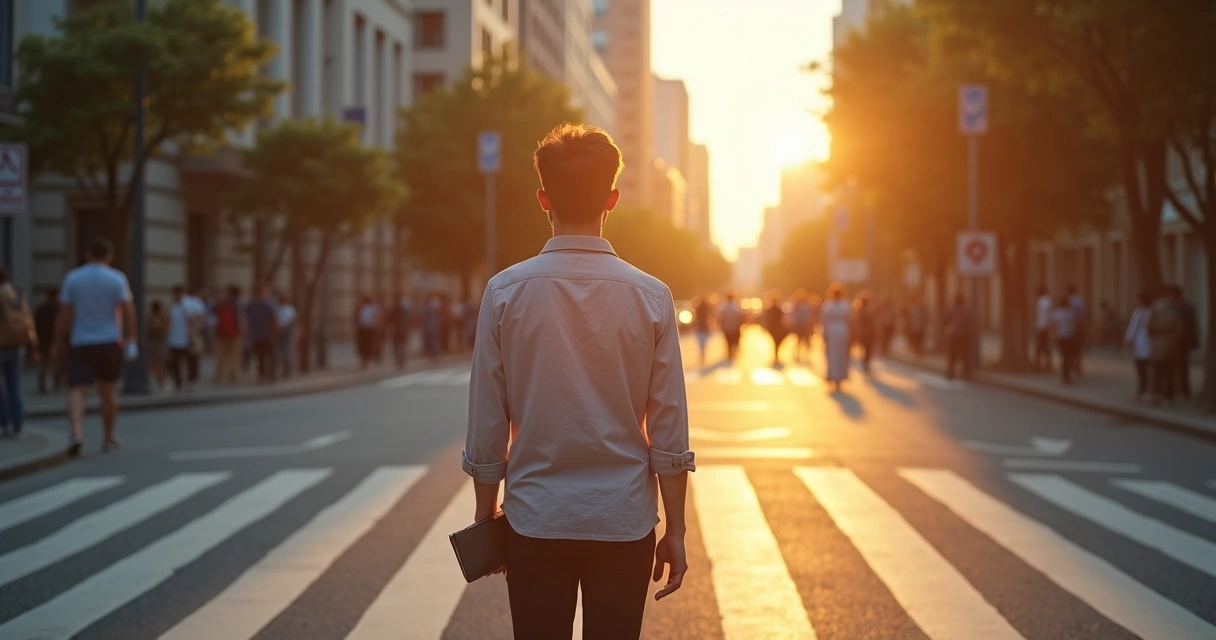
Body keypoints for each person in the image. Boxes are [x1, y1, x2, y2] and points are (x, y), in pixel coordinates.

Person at [464, 124, 691, 639]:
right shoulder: (652, 296)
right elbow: (669, 429)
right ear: (612, 197)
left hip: (534, 519)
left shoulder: (504, 293)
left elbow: (487, 421)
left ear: (543, 197)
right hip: (624, 519)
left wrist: (486, 516)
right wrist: (674, 528)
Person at [52, 237, 135, 456]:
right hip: (109, 341)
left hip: (81, 341)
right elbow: (128, 310)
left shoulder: (73, 277)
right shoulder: (116, 278)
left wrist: (57, 341)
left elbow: (64, 313)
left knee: (77, 389)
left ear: (87, 254)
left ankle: (76, 433)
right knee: (108, 391)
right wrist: (131, 338)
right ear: (109, 256)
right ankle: (108, 437)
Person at [0, 267, 36, 438]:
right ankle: (18, 425)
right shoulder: (16, 293)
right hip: (16, 346)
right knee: (15, 387)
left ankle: (2, 423)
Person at [1148, 288, 1182, 406]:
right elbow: (1179, 328)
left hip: (1158, 345)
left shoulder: (1156, 307)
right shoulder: (1175, 308)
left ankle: (1157, 397)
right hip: (1170, 346)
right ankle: (1169, 397)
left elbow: (1149, 326)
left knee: (1158, 372)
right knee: (1170, 373)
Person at [166, 285, 202, 392]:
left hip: (187, 339)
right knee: (175, 362)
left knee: (191, 360)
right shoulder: (172, 305)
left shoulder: (190, 303)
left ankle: (193, 380)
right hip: (174, 338)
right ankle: (178, 382)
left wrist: (194, 329)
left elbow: (200, 316)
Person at [245, 282, 278, 383]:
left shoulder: (251, 304)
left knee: (260, 356)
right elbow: (274, 319)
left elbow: (246, 318)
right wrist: (275, 332)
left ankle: (262, 375)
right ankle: (271, 375)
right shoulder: (268, 303)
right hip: (267, 334)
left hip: (255, 334)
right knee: (270, 355)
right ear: (264, 291)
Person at [1169, 285, 1198, 401]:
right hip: (1184, 341)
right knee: (1183, 367)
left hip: (1179, 341)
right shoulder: (1188, 306)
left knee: (1180, 366)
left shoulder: (1177, 307)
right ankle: (1184, 390)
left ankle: (1183, 390)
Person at [821, 283, 851, 390]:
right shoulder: (840, 305)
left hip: (838, 331)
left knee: (839, 355)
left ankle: (838, 377)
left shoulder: (833, 305)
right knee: (833, 355)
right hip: (839, 331)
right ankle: (833, 376)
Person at [1124, 292, 1152, 402]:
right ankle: (1142, 389)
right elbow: (1132, 327)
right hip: (1138, 344)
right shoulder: (1137, 312)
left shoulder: (1149, 312)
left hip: (1146, 343)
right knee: (1140, 368)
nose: (1135, 302)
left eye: (1138, 300)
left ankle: (1144, 390)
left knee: (1145, 368)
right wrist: (1128, 339)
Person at [34, 287, 62, 394]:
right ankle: (57, 383)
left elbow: (35, 324)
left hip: (42, 339)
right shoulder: (58, 308)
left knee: (43, 364)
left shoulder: (41, 308)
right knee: (57, 363)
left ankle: (42, 385)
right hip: (55, 338)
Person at [213, 285, 244, 384]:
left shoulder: (222, 303)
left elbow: (215, 316)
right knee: (235, 356)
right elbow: (240, 319)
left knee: (221, 356)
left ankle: (219, 375)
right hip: (234, 333)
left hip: (221, 334)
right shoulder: (238, 303)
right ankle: (234, 375)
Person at [1050, 296, 1080, 385]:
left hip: (1061, 338)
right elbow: (1076, 325)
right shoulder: (1071, 313)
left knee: (1064, 357)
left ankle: (1065, 375)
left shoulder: (1057, 313)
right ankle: (1067, 375)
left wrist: (1052, 337)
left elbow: (1053, 326)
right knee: (1069, 357)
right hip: (1070, 338)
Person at [944, 294, 973, 381]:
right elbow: (970, 323)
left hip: (953, 336)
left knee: (952, 356)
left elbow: (945, 320)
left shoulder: (951, 309)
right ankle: (966, 372)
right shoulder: (967, 310)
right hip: (964, 336)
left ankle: (951, 373)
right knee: (964, 355)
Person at [146, 299, 169, 390]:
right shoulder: (150, 318)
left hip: (160, 344)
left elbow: (166, 330)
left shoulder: (162, 318)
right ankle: (159, 379)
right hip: (152, 344)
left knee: (160, 363)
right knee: (153, 363)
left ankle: (163, 380)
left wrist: (159, 324)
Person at [761, 292, 789, 368]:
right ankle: (776, 355)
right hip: (775, 329)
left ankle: (776, 355)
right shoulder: (775, 310)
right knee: (776, 343)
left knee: (776, 343)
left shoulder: (775, 310)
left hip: (775, 329)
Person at [355, 295, 381, 369]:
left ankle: (366, 360)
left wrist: (375, 325)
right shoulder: (360, 308)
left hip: (369, 329)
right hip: (362, 329)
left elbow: (375, 318)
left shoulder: (371, 309)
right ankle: (363, 361)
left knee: (368, 346)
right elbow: (356, 318)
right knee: (362, 346)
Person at [853, 293, 877, 373]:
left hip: (865, 333)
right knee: (868, 349)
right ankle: (866, 362)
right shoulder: (867, 311)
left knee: (865, 349)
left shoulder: (860, 310)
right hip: (867, 333)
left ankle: (865, 362)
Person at [718, 291, 745, 362]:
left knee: (728, 341)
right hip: (735, 327)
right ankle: (733, 353)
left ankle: (729, 354)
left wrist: (721, 325)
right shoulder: (736, 307)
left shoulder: (724, 307)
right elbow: (741, 316)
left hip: (727, 327)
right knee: (734, 341)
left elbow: (720, 317)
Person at [1067, 285, 1087, 376]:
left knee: (1070, 349)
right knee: (1077, 349)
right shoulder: (1080, 300)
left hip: (1071, 328)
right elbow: (1083, 313)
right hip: (1079, 327)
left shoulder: (1069, 300)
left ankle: (1072, 366)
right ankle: (1077, 367)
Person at [276, 293, 297, 379]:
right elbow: (293, 320)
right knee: (286, 350)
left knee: (284, 350)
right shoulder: (290, 309)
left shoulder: (281, 309)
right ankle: (286, 369)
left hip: (283, 330)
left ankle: (286, 369)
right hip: (285, 330)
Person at [790, 290, 814, 364]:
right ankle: (799, 354)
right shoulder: (797, 306)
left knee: (804, 341)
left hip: (803, 325)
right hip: (801, 325)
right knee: (799, 341)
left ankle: (805, 354)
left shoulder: (805, 306)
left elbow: (809, 316)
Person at [390, 293, 412, 369]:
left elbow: (391, 320)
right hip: (402, 330)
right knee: (401, 345)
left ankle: (400, 360)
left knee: (398, 345)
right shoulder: (404, 309)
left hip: (398, 330)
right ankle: (401, 360)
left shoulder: (395, 308)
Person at [1034, 286, 1053, 372]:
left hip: (1042, 327)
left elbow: (1042, 316)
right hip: (1045, 327)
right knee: (1045, 347)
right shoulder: (1048, 301)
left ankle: (1038, 365)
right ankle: (1047, 364)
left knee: (1041, 347)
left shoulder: (1041, 301)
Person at [691, 295, 714, 367]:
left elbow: (695, 318)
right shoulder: (707, 307)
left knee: (701, 343)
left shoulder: (698, 307)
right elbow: (710, 317)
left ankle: (702, 355)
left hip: (700, 328)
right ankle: (703, 355)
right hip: (705, 327)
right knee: (704, 342)